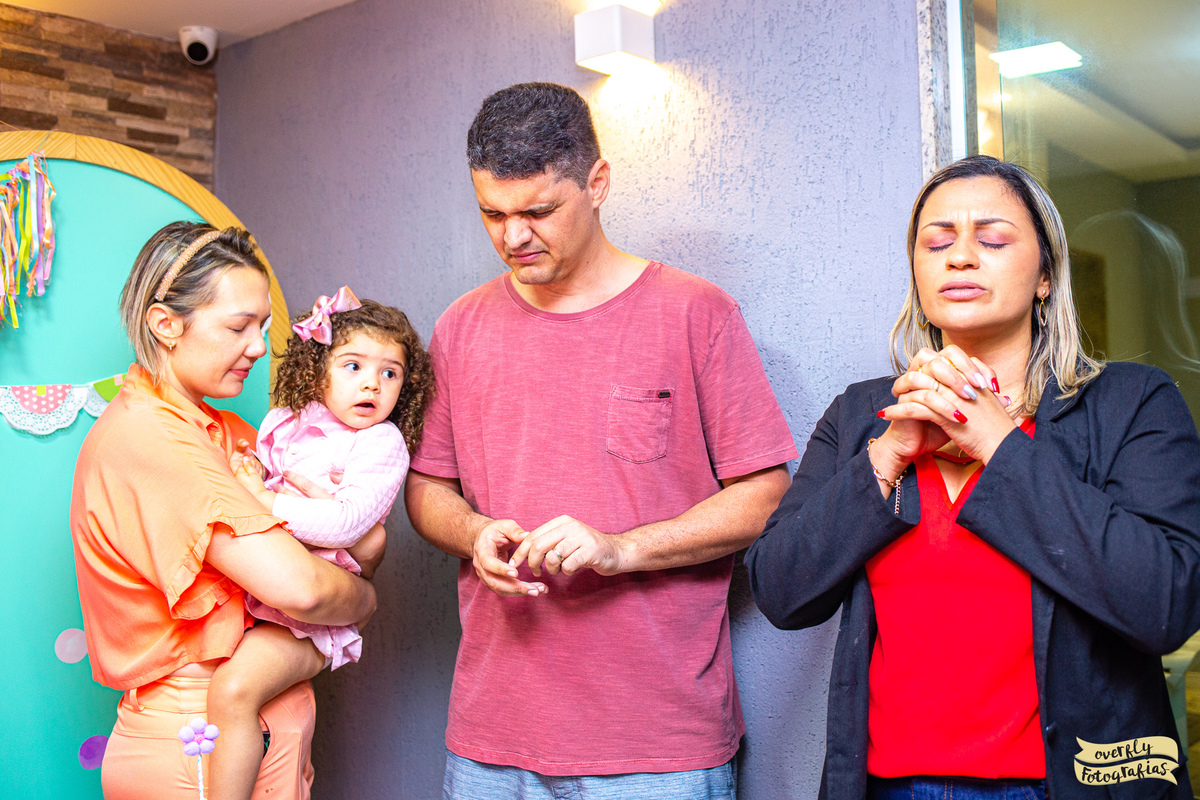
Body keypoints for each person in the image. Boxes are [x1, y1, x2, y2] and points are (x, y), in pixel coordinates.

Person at [745, 155, 1200, 799]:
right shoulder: (860, 414)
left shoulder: (1131, 404)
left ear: (1045, 274)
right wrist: (888, 453)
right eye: (937, 242)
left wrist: (998, 442)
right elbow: (781, 592)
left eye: (991, 239)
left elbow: (1165, 604)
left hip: (1066, 786)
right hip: (889, 787)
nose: (960, 257)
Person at [404, 82, 797, 797]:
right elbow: (428, 486)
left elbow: (766, 496)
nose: (512, 237)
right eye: (491, 213)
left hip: (659, 748)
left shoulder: (695, 312)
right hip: (493, 740)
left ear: (598, 183)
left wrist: (621, 550)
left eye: (538, 211)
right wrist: (473, 531)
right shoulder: (460, 327)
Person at [70, 222, 379, 800]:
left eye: (262, 326)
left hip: (260, 733)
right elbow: (304, 588)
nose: (259, 346)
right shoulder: (150, 439)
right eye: (239, 326)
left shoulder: (227, 431)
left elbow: (344, 542)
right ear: (166, 325)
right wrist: (363, 601)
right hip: (193, 746)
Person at [208, 287, 433, 800]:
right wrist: (250, 480)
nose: (372, 383)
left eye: (390, 373)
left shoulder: (380, 442)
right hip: (257, 584)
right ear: (317, 368)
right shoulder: (284, 422)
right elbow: (255, 481)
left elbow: (349, 524)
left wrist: (263, 502)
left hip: (310, 615)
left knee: (233, 691)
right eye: (353, 365)